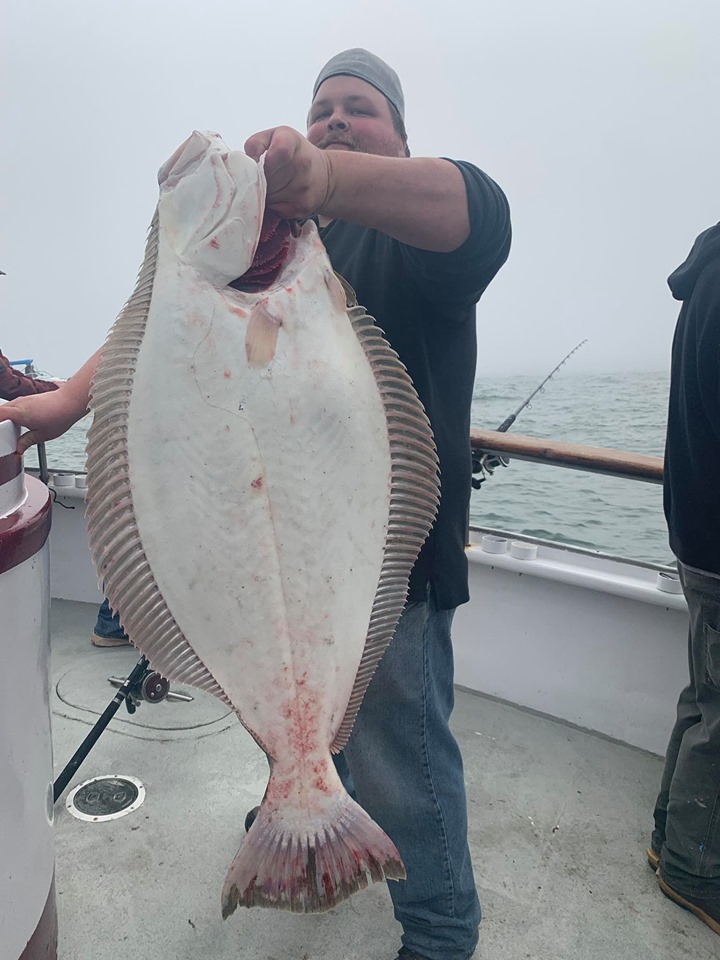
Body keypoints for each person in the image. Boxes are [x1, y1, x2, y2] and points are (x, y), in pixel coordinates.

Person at [0, 49, 511, 960]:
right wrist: (65, 404)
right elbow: (159, 316)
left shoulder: (424, 234)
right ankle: (310, 806)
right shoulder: (298, 243)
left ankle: (438, 934)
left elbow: (481, 211)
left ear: (401, 138)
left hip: (376, 558)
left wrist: (324, 176)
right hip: (274, 546)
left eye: (361, 109)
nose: (336, 120)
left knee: (405, 762)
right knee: (329, 731)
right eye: (321, 109)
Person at [650, 221, 720, 937]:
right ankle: (694, 869)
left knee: (707, 696)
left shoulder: (705, 278)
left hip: (696, 534)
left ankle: (669, 833)